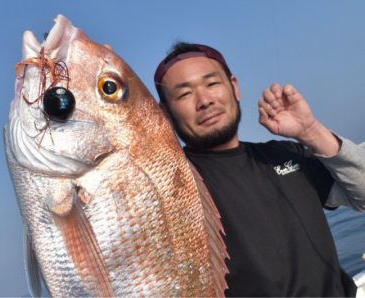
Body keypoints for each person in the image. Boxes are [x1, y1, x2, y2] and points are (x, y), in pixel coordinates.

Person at [154, 42, 365, 297]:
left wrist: (310, 132)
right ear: (165, 112)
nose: (205, 101)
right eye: (184, 94)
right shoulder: (166, 186)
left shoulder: (286, 153)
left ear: (234, 87)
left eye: (212, 84)